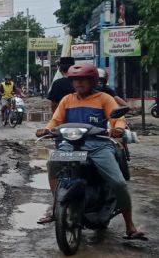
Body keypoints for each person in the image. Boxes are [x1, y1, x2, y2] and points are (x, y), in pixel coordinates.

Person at [35, 64, 146, 240]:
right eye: (75, 80)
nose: (78, 83)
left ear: (92, 81)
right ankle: (57, 207)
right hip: (71, 144)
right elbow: (55, 120)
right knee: (53, 165)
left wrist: (118, 128)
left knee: (118, 183)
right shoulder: (67, 100)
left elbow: (118, 119)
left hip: (99, 145)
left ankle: (130, 226)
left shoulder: (104, 98)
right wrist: (46, 130)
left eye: (83, 80)